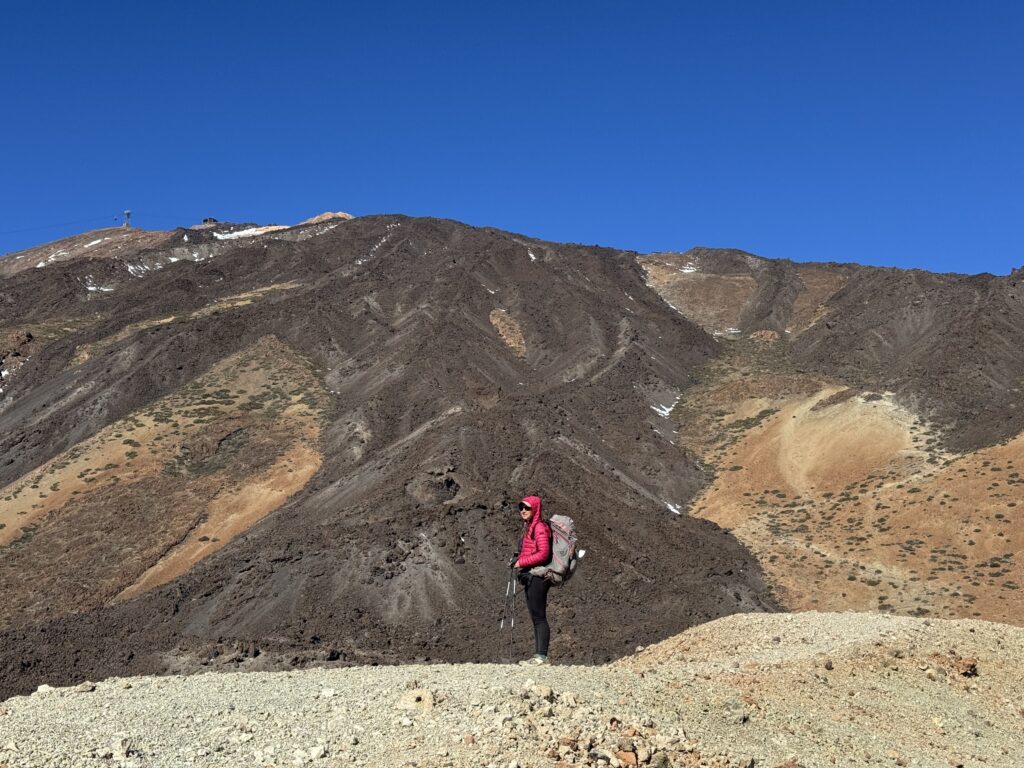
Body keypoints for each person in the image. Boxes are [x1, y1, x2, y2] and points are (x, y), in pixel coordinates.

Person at [513, 495, 552, 664]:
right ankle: (539, 656)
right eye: (521, 507)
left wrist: (522, 562)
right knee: (535, 616)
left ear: (535, 509)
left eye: (527, 508)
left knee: (539, 616)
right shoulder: (529, 527)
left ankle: (541, 656)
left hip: (538, 576)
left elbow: (543, 553)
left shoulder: (540, 528)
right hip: (531, 575)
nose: (523, 510)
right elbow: (530, 550)